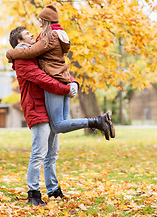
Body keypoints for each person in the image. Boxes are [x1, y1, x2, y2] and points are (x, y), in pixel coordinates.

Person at [8, 26, 114, 206]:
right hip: (36, 109)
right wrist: (66, 89)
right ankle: (33, 192)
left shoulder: (35, 55)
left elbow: (55, 69)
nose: (33, 34)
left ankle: (53, 190)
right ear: (20, 41)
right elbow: (44, 79)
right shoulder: (22, 61)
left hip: (49, 107)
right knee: (39, 154)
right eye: (27, 34)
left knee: (52, 154)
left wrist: (72, 82)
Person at [6, 3, 115, 140]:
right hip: (63, 80)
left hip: (55, 84)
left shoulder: (49, 36)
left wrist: (10, 53)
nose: (39, 24)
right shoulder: (58, 35)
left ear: (46, 20)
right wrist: (71, 82)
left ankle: (96, 121)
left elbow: (31, 51)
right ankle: (97, 122)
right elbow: (57, 63)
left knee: (57, 125)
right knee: (61, 123)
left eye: (40, 20)